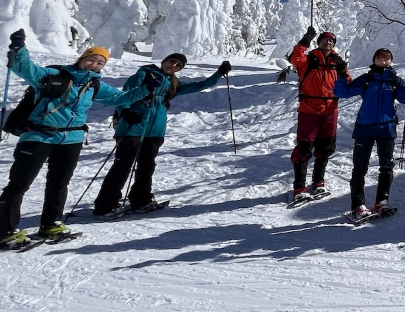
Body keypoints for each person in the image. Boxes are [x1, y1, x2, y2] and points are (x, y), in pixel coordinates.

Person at [2, 30, 157, 247]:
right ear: (81, 59)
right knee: (19, 184)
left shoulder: (94, 85)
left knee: (59, 184)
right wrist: (18, 49)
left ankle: (51, 224)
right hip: (39, 135)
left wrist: (145, 90)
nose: (94, 65)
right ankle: (6, 230)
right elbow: (25, 68)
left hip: (71, 140)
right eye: (91, 59)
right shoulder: (52, 76)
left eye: (100, 62)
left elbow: (121, 98)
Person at [92, 52, 232, 217]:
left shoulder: (172, 83)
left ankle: (140, 199)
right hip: (133, 127)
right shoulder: (143, 75)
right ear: (164, 60)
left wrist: (219, 74)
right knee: (122, 166)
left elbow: (198, 86)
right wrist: (126, 112)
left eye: (178, 65)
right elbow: (123, 96)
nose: (173, 66)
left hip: (155, 130)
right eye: (171, 61)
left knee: (147, 166)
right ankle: (105, 205)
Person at [335, 48, 405, 218]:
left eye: (386, 59)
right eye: (379, 58)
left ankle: (382, 202)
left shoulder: (394, 80)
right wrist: (341, 75)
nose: (383, 61)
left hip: (386, 130)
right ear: (374, 60)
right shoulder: (367, 79)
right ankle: (358, 206)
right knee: (360, 168)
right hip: (364, 129)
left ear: (391, 61)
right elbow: (342, 92)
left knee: (386, 167)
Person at [288, 27, 351, 202]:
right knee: (304, 148)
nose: (328, 42)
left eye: (331, 40)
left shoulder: (337, 64)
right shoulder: (307, 60)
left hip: (330, 110)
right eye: (325, 40)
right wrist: (304, 41)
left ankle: (318, 182)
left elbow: (348, 84)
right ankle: (300, 187)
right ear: (319, 42)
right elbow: (295, 58)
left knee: (325, 147)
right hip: (309, 109)